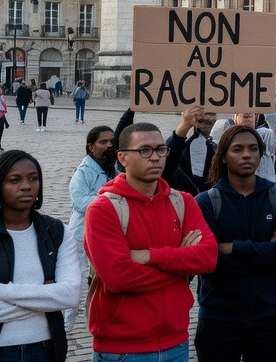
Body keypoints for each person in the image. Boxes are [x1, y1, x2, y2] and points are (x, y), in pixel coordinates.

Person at [83, 121, 218, 362]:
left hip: (176, 343)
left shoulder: (184, 201)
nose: (155, 157)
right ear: (122, 158)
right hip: (122, 349)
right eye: (145, 150)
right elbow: (117, 278)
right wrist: (180, 267)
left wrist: (149, 256)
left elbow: (208, 257)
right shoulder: (104, 209)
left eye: (161, 149)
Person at [0, 150, 80, 362]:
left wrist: (0, 291)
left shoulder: (57, 233)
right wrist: (45, 299)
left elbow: (69, 296)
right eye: (14, 180)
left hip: (46, 351)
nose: (27, 186)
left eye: (33, 178)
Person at [194, 125, 276, 362]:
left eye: (253, 149)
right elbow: (208, 264)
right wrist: (267, 250)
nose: (246, 155)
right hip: (218, 319)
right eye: (237, 149)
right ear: (222, 155)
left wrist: (233, 247)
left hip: (268, 316)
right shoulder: (205, 202)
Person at [210, 111, 276, 184]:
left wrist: (268, 109)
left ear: (256, 119)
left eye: (250, 115)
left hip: (264, 191)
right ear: (235, 118)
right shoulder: (228, 137)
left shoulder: (265, 135)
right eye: (243, 115)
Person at [163, 107, 218, 195]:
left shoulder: (216, 146)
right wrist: (186, 124)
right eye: (201, 113)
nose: (209, 118)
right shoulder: (182, 143)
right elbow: (169, 158)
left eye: (212, 114)